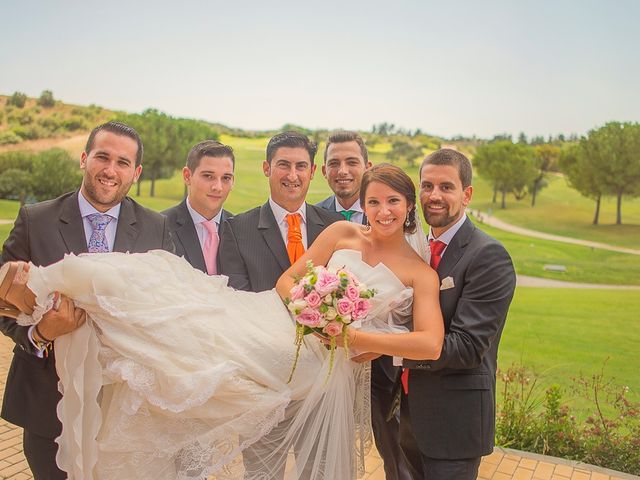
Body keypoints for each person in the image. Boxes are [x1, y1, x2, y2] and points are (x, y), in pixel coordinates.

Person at [0, 163, 444, 480]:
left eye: (393, 201)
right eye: (373, 201)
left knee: (192, 352)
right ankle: (46, 288)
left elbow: (430, 344)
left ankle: (46, 296)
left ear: (409, 207)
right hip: (276, 316)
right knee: (184, 299)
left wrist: (345, 333)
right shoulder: (342, 234)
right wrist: (310, 306)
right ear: (362, 205)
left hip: (316, 359)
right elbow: (288, 281)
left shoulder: (419, 274)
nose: (382, 210)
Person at [0, 121, 174, 479]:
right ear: (84, 159)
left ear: (136, 172)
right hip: (50, 409)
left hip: (123, 413)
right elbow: (2, 303)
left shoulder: (156, 227)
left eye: (123, 162)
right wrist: (40, 334)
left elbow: (168, 311)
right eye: (102, 157)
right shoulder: (36, 220)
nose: (110, 170)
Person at [218, 131, 342, 478]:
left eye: (301, 166)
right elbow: (239, 307)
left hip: (321, 387)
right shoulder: (237, 229)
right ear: (266, 168)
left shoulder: (334, 228)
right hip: (263, 385)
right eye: (283, 165)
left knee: (319, 471)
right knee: (263, 474)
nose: (292, 174)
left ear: (313, 171)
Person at [397, 149, 517, 480]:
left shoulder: (488, 256)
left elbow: (466, 346)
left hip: (454, 423)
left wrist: (388, 349)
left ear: (467, 194)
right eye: (427, 186)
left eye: (446, 187)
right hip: (407, 417)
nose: (434, 196)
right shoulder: (415, 250)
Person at [315, 131, 410, 480]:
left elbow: (412, 299)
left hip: (383, 366)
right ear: (323, 171)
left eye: (351, 161)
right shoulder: (317, 219)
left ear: (366, 167)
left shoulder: (401, 221)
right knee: (326, 450)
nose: (343, 170)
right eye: (334, 163)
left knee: (394, 452)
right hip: (323, 363)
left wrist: (373, 342)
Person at [163, 140, 234, 274]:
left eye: (226, 178)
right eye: (208, 176)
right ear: (187, 176)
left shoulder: (239, 229)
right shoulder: (161, 227)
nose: (218, 187)